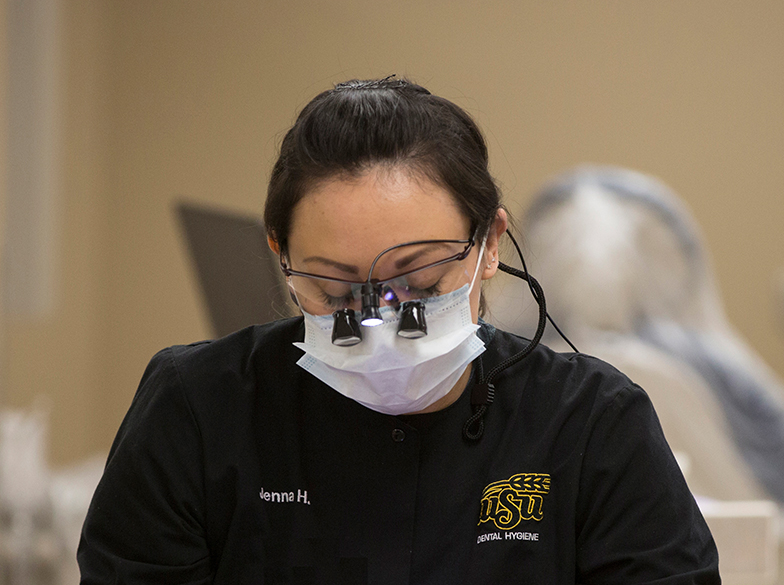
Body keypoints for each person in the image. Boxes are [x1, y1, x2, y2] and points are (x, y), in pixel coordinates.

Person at [78, 77, 720, 584]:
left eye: (417, 283)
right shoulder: (197, 410)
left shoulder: (592, 424)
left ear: (490, 243)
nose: (380, 319)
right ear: (281, 256)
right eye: (334, 289)